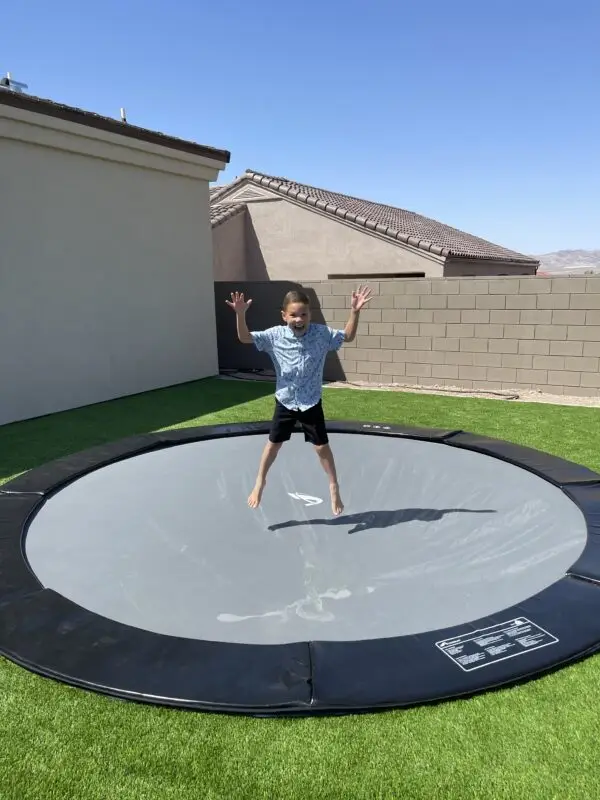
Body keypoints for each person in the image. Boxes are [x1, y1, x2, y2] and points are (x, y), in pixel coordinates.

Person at [225, 285, 372, 516]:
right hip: (285, 400)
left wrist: (355, 312)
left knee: (322, 447)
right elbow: (244, 337)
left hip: (310, 401)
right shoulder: (274, 336)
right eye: (293, 315)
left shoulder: (321, 334)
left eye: (304, 314)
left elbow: (348, 336)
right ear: (284, 316)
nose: (299, 319)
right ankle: (260, 482)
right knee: (273, 444)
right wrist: (241, 314)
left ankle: (333, 486)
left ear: (310, 315)